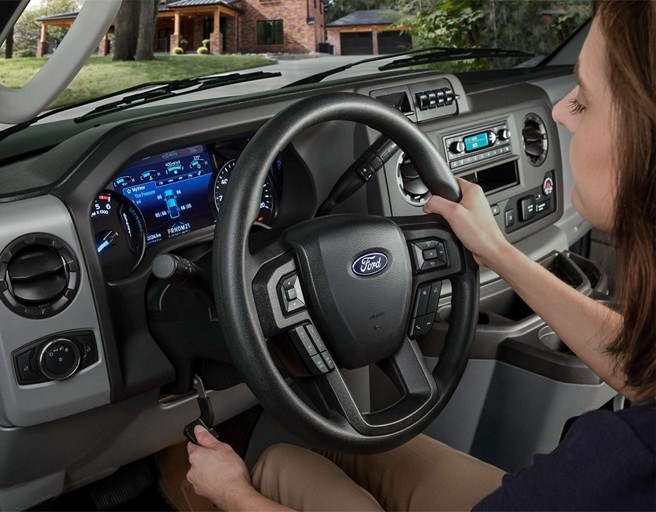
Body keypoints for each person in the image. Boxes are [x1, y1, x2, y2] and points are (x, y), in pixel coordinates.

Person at [183, 1, 656, 510]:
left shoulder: (623, 460)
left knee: (279, 463)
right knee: (350, 447)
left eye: (584, 100)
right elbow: (641, 367)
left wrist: (232, 494)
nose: (561, 111)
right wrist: (496, 251)